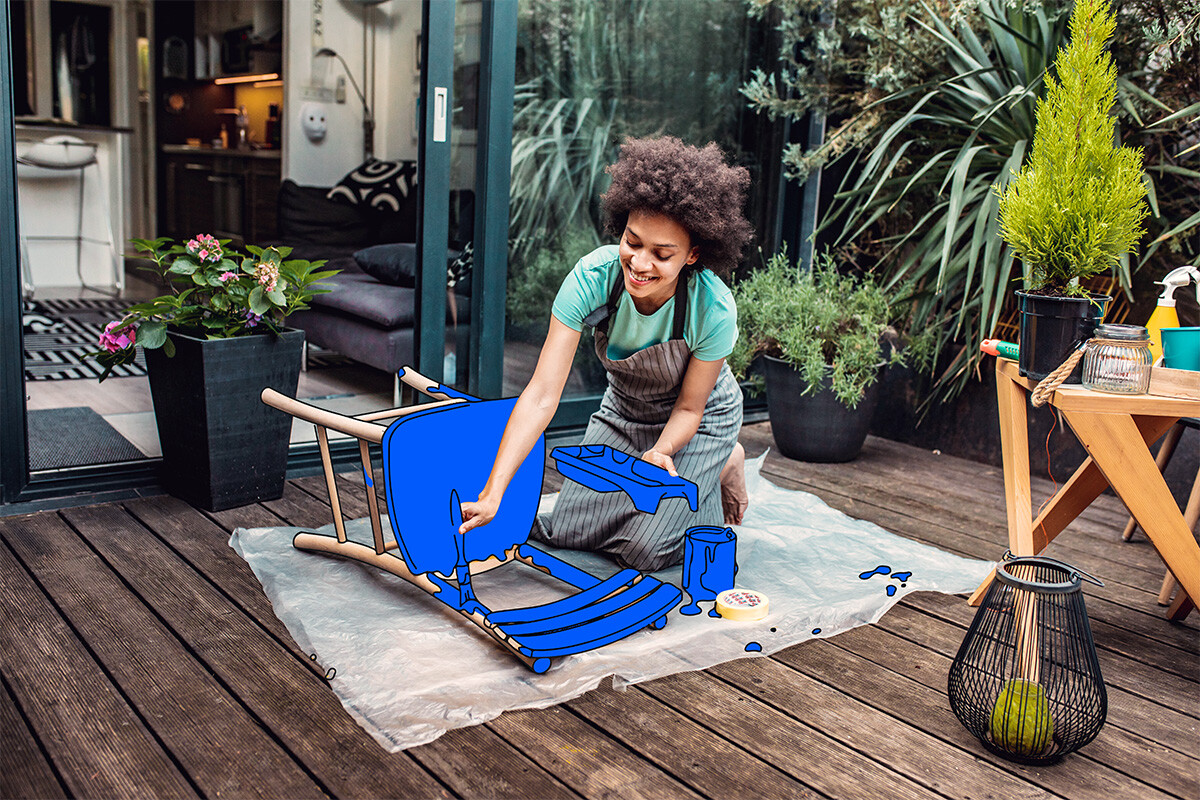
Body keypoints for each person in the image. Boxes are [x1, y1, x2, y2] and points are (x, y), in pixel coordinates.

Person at [458, 136, 753, 571]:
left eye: (662, 254)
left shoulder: (712, 307)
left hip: (700, 419)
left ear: (692, 255)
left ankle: (723, 459)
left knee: (646, 549)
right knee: (569, 530)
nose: (640, 264)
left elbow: (691, 408)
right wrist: (493, 491)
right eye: (633, 242)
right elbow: (541, 395)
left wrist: (664, 450)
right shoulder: (592, 279)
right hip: (626, 410)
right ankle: (698, 474)